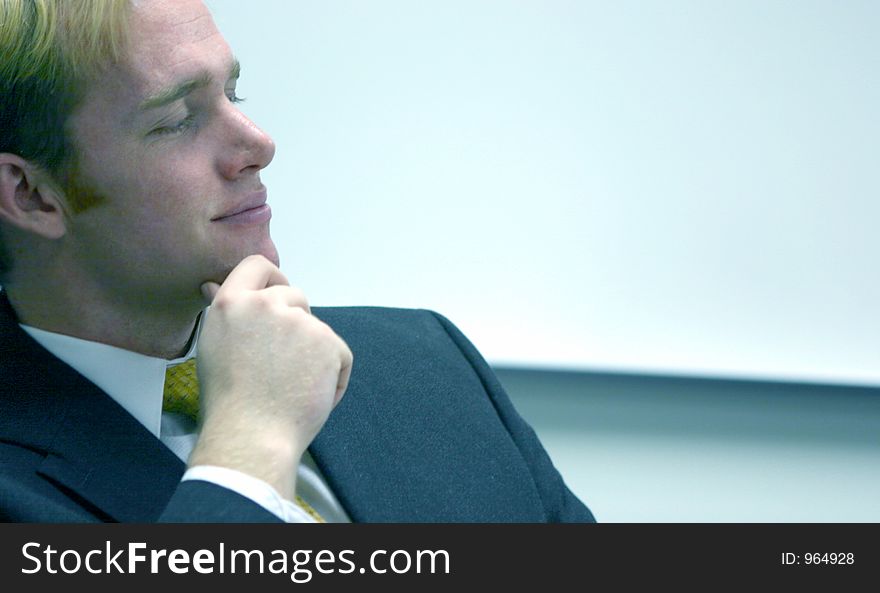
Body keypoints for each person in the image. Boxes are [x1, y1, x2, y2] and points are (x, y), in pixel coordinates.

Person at [0, 0, 594, 523]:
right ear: (29, 193)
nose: (258, 144)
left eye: (232, 94)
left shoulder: (426, 361)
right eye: (178, 121)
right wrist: (248, 449)